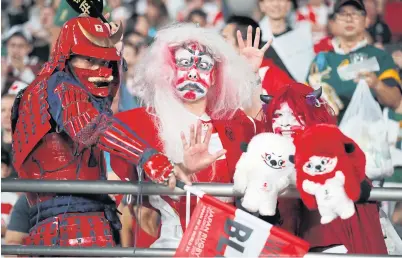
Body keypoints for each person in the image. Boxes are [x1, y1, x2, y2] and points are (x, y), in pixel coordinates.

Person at [10, 15, 204, 247]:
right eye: (90, 60)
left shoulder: (52, 88)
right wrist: (149, 157)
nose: (101, 70)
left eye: (104, 62)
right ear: (67, 57)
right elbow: (92, 125)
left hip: (75, 217)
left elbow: (101, 103)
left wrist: (114, 52)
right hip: (69, 223)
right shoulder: (58, 85)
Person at [111, 23, 270, 248]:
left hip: (226, 243)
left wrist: (250, 75)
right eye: (185, 63)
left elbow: (261, 132)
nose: (194, 72)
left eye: (204, 65)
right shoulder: (143, 123)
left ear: (215, 76)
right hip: (173, 243)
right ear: (167, 69)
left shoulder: (232, 124)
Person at [260, 82, 387, 254]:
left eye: (295, 114)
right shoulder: (272, 156)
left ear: (311, 116)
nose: (285, 124)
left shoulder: (326, 144)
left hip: (334, 243)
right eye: (278, 115)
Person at [307, 0, 401, 121]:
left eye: (355, 13)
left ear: (366, 20)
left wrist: (376, 84)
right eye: (342, 13)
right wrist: (318, 98)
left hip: (372, 133)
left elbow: (396, 101)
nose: (349, 19)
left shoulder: (380, 56)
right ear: (332, 23)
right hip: (331, 132)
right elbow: (305, 101)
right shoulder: (321, 60)